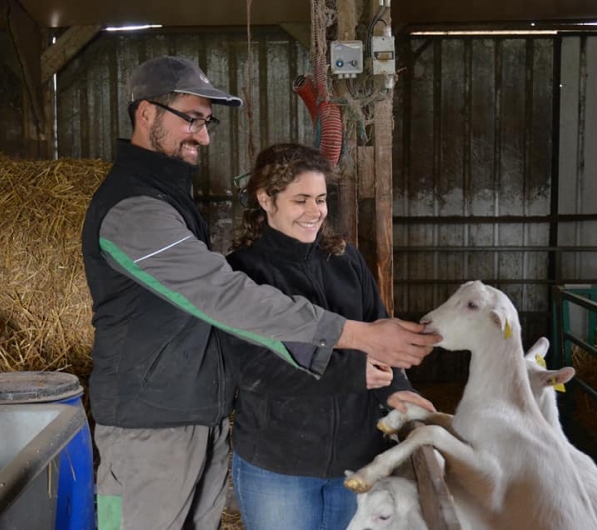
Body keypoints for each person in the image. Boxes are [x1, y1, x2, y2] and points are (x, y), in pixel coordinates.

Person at [80, 56, 441, 530]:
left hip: (197, 417)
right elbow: (226, 301)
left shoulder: (169, 198)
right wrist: (355, 339)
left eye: (207, 123)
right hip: (154, 425)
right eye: (192, 119)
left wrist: (395, 386)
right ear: (146, 114)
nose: (204, 136)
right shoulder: (135, 211)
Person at [224, 143, 436, 530]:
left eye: (320, 199)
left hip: (356, 462)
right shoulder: (244, 272)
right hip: (279, 466)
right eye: (300, 200)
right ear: (265, 199)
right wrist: (352, 372)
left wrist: (397, 390)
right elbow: (252, 368)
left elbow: (379, 328)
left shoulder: (346, 260)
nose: (315, 212)